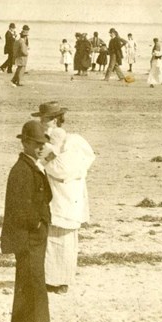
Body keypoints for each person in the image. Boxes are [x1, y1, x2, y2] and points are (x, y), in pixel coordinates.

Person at [0, 119, 53, 322]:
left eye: (44, 143)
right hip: (30, 238)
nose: (42, 147)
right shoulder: (22, 169)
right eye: (39, 144)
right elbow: (21, 208)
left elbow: (45, 196)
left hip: (31, 238)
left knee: (25, 290)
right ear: (27, 143)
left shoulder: (30, 166)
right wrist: (38, 224)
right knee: (36, 293)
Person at [37, 103, 94, 294]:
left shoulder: (74, 141)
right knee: (52, 238)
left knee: (65, 238)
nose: (41, 122)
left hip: (69, 194)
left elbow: (65, 169)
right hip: (55, 194)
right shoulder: (45, 143)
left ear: (54, 120)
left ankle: (62, 281)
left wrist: (48, 159)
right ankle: (49, 279)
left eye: (44, 119)